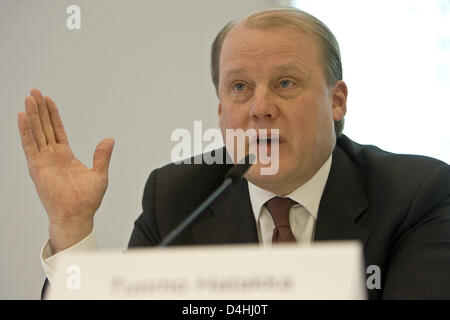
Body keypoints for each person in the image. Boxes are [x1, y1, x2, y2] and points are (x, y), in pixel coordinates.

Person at [17, 8, 450, 300]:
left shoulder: (416, 194)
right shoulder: (177, 197)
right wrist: (71, 227)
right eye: (240, 87)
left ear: (336, 101)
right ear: (221, 110)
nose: (260, 107)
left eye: (285, 83)